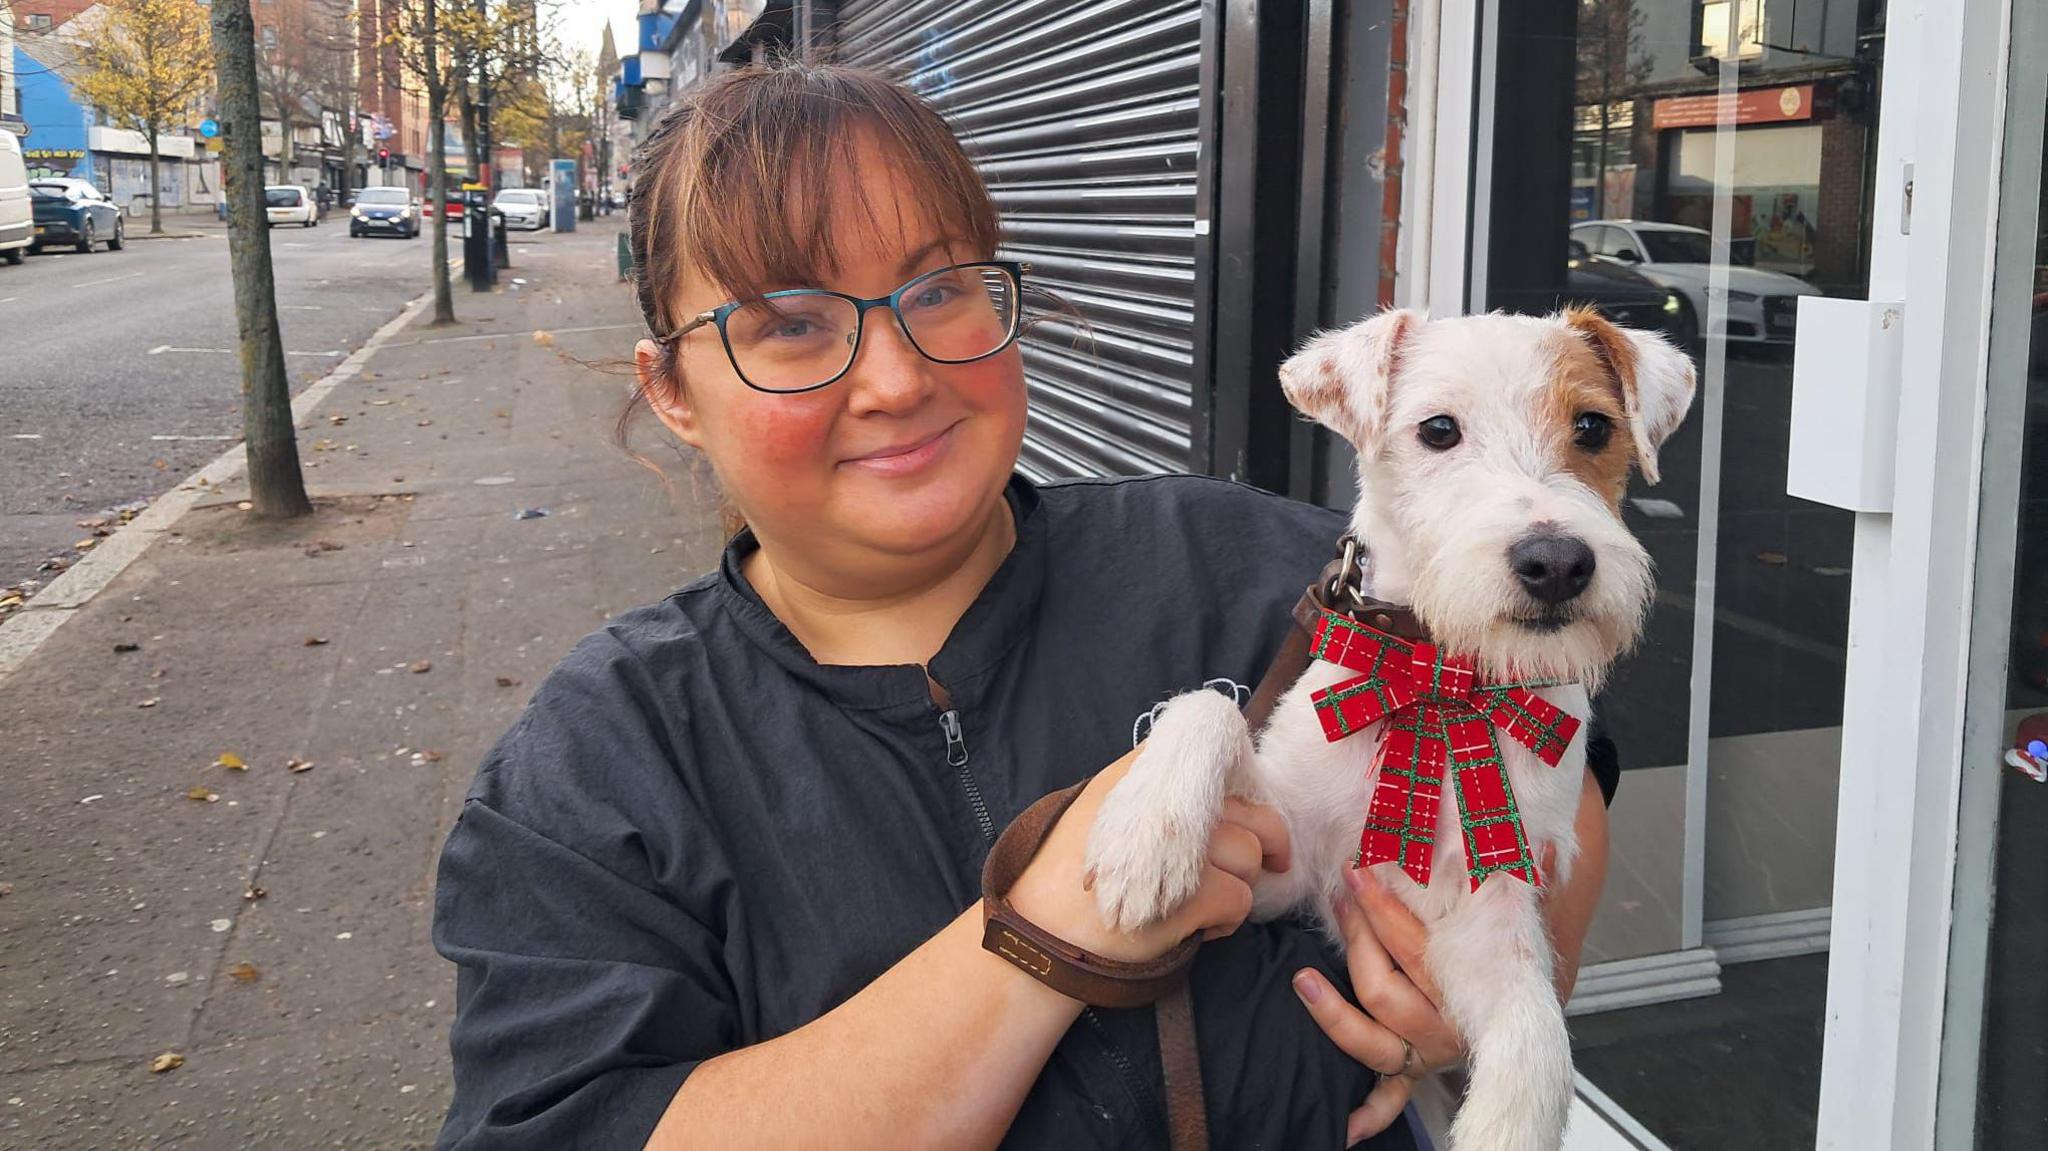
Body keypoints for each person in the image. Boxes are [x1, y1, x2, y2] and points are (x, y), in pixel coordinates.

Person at [432, 62, 1616, 1151]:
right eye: (789, 322)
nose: (896, 378)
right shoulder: (600, 767)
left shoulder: (1262, 563)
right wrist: (1043, 928)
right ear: (672, 391)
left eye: (938, 288)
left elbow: (1556, 759)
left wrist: (1489, 1005)